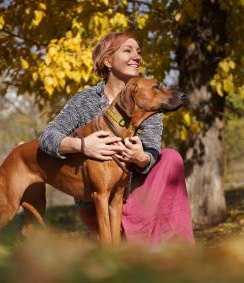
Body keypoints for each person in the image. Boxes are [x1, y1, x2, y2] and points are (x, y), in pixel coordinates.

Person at [39, 31, 194, 245]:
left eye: (139, 52)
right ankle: (136, 246)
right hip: (99, 202)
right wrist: (83, 145)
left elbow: (151, 150)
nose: (137, 57)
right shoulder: (85, 101)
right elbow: (47, 137)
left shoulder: (149, 100)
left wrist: (141, 157)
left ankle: (178, 252)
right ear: (108, 60)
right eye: (128, 50)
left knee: (170, 158)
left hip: (137, 195)